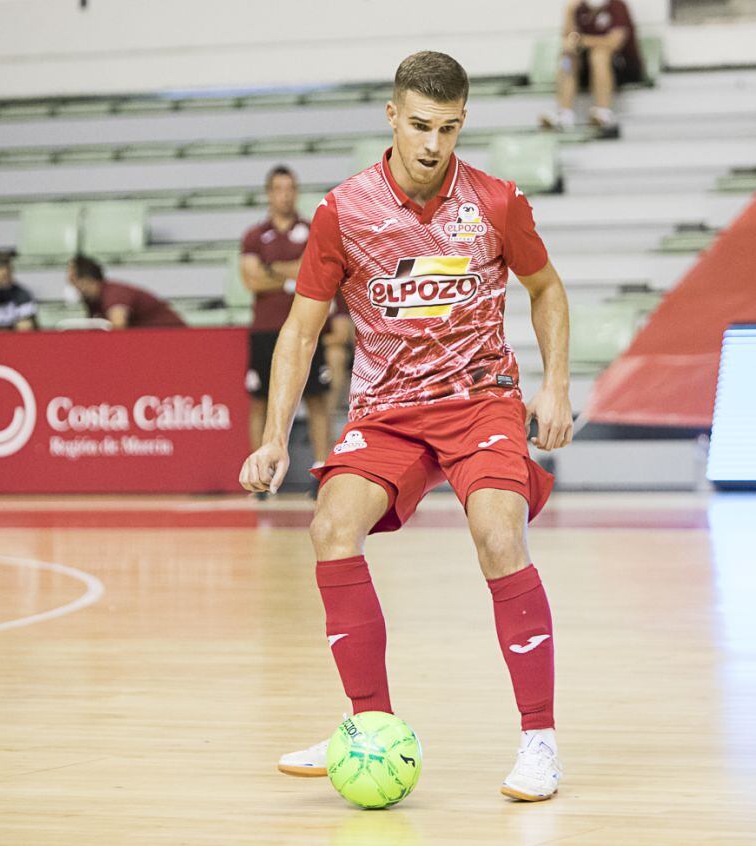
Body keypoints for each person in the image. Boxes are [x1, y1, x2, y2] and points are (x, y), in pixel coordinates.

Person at [239, 51, 573, 801]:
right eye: (420, 125)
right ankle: (366, 730)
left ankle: (539, 740)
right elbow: (299, 329)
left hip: (480, 399)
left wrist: (554, 386)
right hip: (389, 412)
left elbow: (546, 289)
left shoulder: (495, 202)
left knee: (497, 531)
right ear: (392, 116)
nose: (432, 144)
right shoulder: (342, 211)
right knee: (330, 526)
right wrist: (271, 436)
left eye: (449, 129)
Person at [240, 166, 332, 496]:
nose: (285, 194)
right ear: (268, 193)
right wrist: (293, 272)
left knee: (318, 400)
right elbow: (250, 279)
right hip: (266, 329)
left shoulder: (311, 229)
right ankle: (260, 476)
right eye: (278, 188)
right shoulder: (254, 235)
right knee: (259, 401)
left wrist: (272, 272)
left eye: (290, 187)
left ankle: (321, 470)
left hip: (308, 327)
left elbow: (317, 270)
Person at [541, 0, 644, 138]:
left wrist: (582, 40)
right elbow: (568, 39)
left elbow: (613, 42)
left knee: (599, 53)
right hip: (588, 70)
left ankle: (603, 111)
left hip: (621, 68)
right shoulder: (579, 9)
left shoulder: (617, 6)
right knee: (567, 57)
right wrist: (569, 12)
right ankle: (564, 114)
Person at [67, 254, 186, 329]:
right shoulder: (93, 303)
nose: (71, 286)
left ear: (86, 280)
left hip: (173, 339)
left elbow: (118, 328)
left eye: (73, 280)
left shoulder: (114, 293)